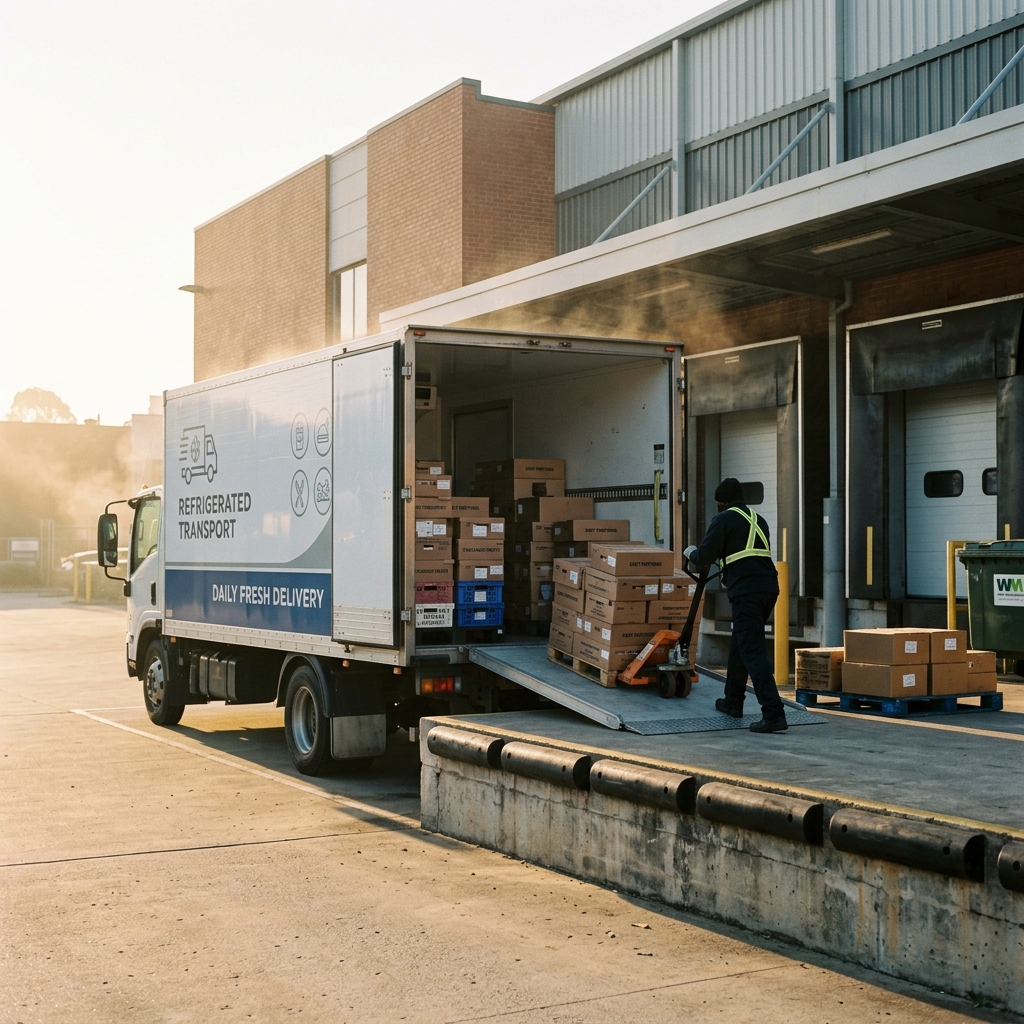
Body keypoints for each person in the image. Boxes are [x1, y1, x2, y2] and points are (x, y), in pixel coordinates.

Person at [683, 477, 787, 733]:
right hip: (768, 589)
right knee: (740, 646)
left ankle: (774, 714)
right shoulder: (757, 519)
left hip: (747, 592)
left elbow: (705, 555)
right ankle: (733, 701)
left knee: (752, 651)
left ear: (721, 502)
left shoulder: (723, 519)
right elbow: (745, 553)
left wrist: (691, 553)